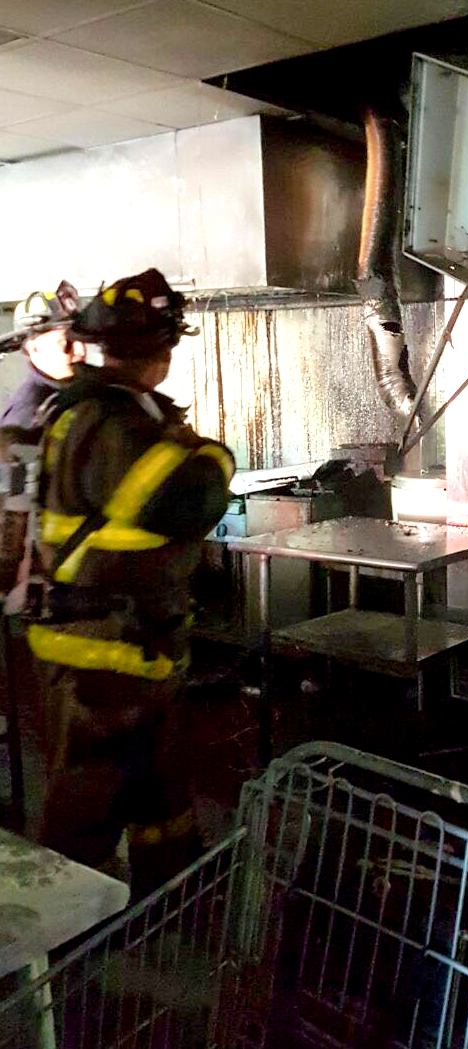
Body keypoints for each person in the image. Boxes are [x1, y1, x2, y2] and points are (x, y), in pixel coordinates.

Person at [26, 267, 235, 897]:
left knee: (157, 781)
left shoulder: (109, 412)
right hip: (101, 648)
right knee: (89, 794)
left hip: (131, 641)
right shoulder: (109, 421)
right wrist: (216, 457)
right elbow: (188, 494)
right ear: (161, 353)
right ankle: (65, 949)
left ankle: (170, 895)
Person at [0, 282, 85, 454]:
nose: (80, 350)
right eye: (66, 343)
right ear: (33, 348)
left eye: (82, 339)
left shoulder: (69, 396)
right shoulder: (27, 418)